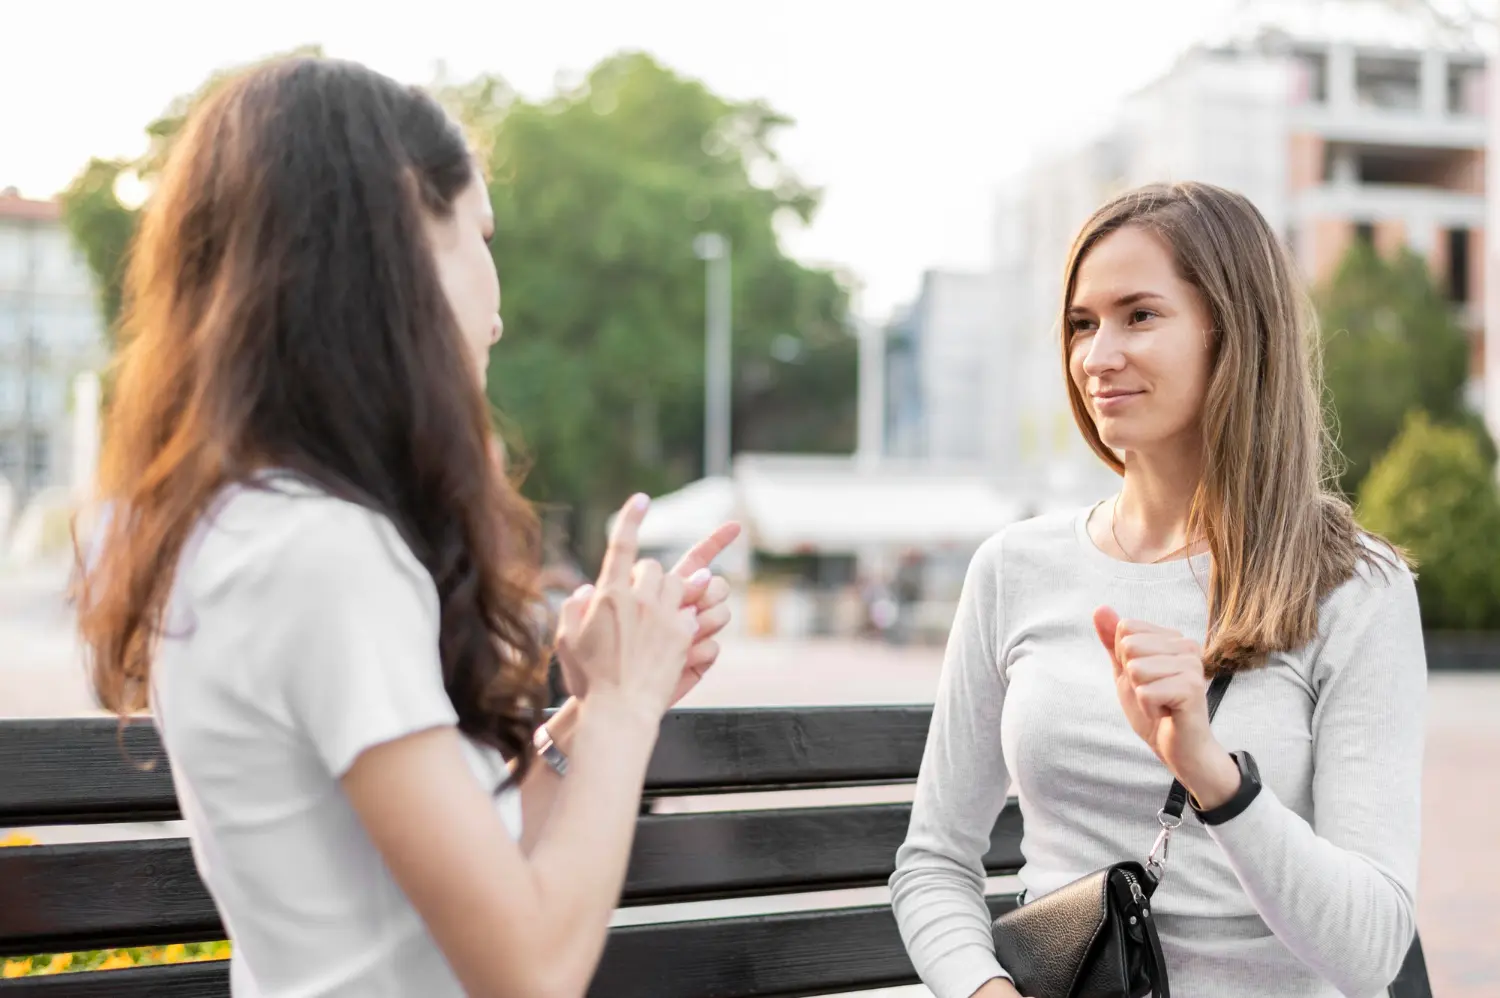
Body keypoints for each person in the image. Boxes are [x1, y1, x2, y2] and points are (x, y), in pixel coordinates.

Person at [74, 56, 741, 998]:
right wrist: (629, 707)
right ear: (398, 238)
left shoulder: (261, 529)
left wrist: (592, 712)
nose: (497, 316)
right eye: (481, 233)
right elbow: (529, 971)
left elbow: (449, 890)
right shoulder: (321, 556)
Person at [890, 182, 1425, 998]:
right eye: (1082, 324)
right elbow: (934, 862)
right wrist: (985, 991)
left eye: (1139, 315)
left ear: (1234, 333)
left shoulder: (1353, 586)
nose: (1097, 356)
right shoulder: (1013, 568)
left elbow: (1372, 951)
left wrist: (1212, 774)